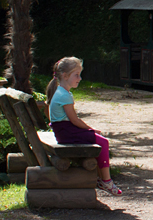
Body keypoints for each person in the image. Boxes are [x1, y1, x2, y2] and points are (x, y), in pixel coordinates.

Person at [46, 57, 121, 195]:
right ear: (65, 76)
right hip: (67, 133)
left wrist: (90, 131)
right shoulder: (64, 95)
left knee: (98, 139)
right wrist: (90, 129)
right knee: (103, 142)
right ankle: (106, 181)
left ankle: (101, 178)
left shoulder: (60, 92)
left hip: (64, 132)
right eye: (76, 75)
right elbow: (75, 120)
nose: (80, 78)